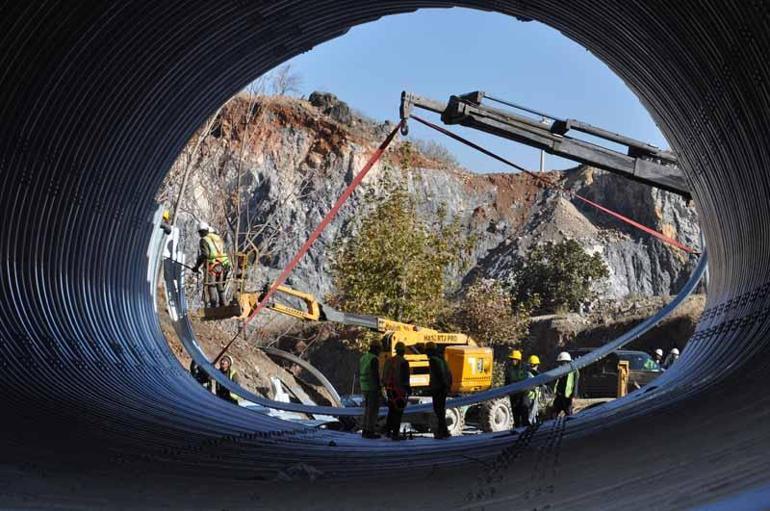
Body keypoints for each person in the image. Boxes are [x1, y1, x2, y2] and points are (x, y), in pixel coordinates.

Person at [192, 221, 231, 308]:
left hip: (212, 266)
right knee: (220, 285)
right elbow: (224, 251)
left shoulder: (204, 240)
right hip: (222, 265)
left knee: (211, 285)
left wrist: (197, 266)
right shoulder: (217, 238)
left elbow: (205, 255)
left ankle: (213, 306)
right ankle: (224, 304)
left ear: (201, 231)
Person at [382, 341, 411, 440]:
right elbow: (405, 379)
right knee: (398, 413)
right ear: (403, 351)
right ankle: (395, 433)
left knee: (391, 411)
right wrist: (408, 389)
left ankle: (388, 432)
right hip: (399, 391)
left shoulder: (389, 361)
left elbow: (384, 376)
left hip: (389, 390)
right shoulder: (404, 362)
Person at [426, 342, 452, 439]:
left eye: (427, 351)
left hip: (438, 388)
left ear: (430, 351)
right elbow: (448, 373)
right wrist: (447, 386)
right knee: (441, 410)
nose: (426, 353)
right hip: (443, 388)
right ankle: (444, 431)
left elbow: (439, 374)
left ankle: (442, 432)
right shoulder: (442, 359)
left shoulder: (433, 360)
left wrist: (434, 385)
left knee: (438, 410)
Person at [359, 340, 382, 439]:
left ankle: (365, 430)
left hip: (364, 386)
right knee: (373, 410)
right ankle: (370, 431)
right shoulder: (374, 359)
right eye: (379, 349)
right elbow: (375, 374)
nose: (380, 351)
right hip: (372, 387)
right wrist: (379, 387)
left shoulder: (364, 357)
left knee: (367, 409)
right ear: (375, 348)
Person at [505, 349, 529, 428]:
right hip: (514, 395)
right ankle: (517, 429)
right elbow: (507, 381)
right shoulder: (509, 368)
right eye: (511, 359)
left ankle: (526, 429)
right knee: (516, 414)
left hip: (523, 394)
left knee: (524, 414)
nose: (512, 361)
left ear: (518, 360)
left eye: (514, 359)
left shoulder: (524, 368)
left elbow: (525, 379)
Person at [551, 351, 579, 419]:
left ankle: (570, 426)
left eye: (562, 362)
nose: (560, 364)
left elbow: (575, 384)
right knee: (554, 412)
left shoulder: (574, 371)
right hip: (559, 395)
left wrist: (573, 396)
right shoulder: (560, 371)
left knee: (568, 413)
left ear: (566, 361)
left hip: (567, 397)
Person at [524, 355, 541, 426]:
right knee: (532, 413)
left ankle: (533, 423)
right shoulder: (530, 375)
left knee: (533, 412)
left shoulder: (527, 373)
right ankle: (531, 424)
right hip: (532, 396)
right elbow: (532, 385)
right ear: (534, 365)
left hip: (529, 396)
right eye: (537, 365)